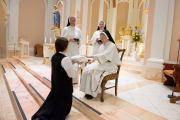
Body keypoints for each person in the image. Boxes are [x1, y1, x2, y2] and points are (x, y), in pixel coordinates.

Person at [32, 37, 83, 120]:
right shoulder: (65, 59)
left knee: (49, 109)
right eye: (67, 45)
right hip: (64, 92)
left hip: (56, 89)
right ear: (64, 46)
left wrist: (71, 62)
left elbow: (62, 66)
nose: (68, 47)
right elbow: (71, 74)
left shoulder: (54, 56)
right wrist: (77, 64)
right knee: (59, 113)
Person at [80, 30, 121, 99]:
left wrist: (90, 56)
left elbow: (103, 55)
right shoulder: (102, 45)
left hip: (110, 65)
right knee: (87, 69)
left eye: (103, 38)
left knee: (94, 72)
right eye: (100, 38)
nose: (101, 39)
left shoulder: (112, 46)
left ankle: (92, 92)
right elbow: (99, 55)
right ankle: (87, 91)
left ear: (107, 37)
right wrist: (92, 60)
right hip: (102, 63)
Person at [61, 16, 83, 83]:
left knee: (74, 62)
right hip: (67, 48)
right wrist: (69, 39)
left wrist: (79, 41)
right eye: (71, 20)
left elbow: (81, 38)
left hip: (75, 49)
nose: (73, 22)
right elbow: (62, 38)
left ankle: (74, 79)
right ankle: (66, 78)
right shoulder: (66, 29)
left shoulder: (78, 30)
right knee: (68, 61)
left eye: (74, 20)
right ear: (69, 21)